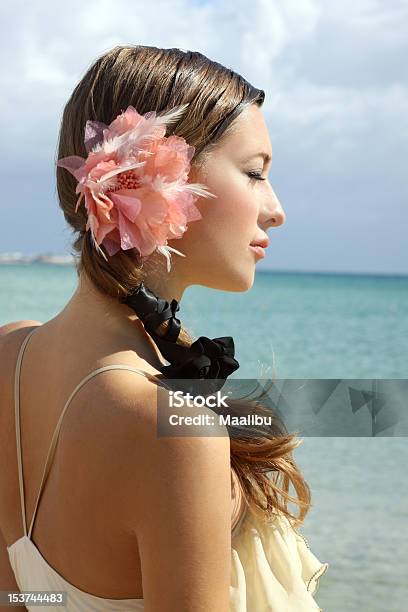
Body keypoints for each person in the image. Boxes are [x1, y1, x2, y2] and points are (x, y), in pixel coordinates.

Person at [0, 45, 328, 611]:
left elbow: (19, 593)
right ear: (159, 178)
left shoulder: (11, 355)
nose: (275, 210)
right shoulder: (172, 433)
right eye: (254, 174)